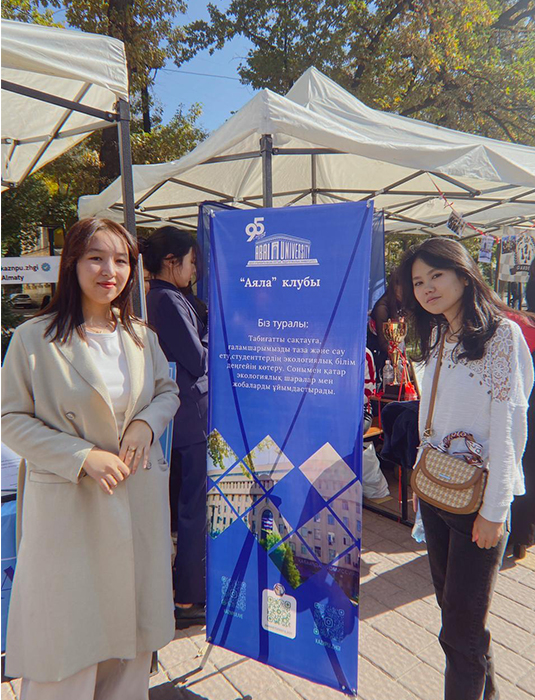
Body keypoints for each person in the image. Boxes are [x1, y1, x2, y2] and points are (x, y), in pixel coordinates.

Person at [1, 218, 180, 699]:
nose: (110, 271)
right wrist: (81, 456)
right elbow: (9, 418)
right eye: (96, 258)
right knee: (67, 646)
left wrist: (146, 424)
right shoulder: (34, 338)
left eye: (121, 260)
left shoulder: (140, 336)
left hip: (136, 497)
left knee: (131, 647)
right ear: (72, 264)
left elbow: (167, 390)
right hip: (72, 504)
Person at [398, 237, 534, 700]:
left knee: (460, 629)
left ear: (463, 273)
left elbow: (509, 427)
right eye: (419, 281)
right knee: (457, 619)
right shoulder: (439, 335)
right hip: (439, 490)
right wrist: (421, 480)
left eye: (436, 275)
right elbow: (431, 418)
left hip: (479, 498)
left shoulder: (501, 335)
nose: (427, 288)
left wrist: (495, 511)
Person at [140, 226, 208, 627]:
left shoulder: (161, 297)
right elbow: (197, 359)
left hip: (178, 416)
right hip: (190, 417)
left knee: (185, 507)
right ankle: (187, 599)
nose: (194, 269)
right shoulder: (166, 299)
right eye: (191, 261)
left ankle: (183, 591)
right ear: (171, 262)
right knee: (194, 508)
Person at [368, 269, 404, 374]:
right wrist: (397, 358)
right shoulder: (382, 308)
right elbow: (382, 342)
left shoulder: (398, 304)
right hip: (380, 358)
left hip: (393, 354)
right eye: (403, 289)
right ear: (395, 287)